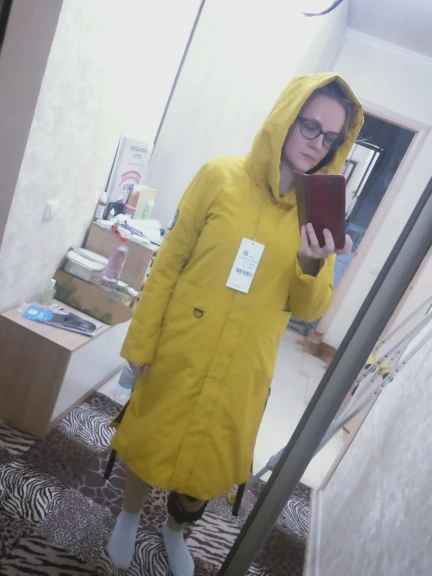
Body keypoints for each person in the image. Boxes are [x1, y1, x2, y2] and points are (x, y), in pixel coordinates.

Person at [107, 72, 364, 574]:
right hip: (183, 344)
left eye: (331, 137)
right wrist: (142, 342)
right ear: (285, 118)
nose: (318, 144)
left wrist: (312, 262)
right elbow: (169, 264)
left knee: (212, 456)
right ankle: (128, 516)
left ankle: (174, 531)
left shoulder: (316, 212)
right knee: (150, 434)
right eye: (310, 126)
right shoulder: (219, 176)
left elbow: (309, 309)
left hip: (245, 365)